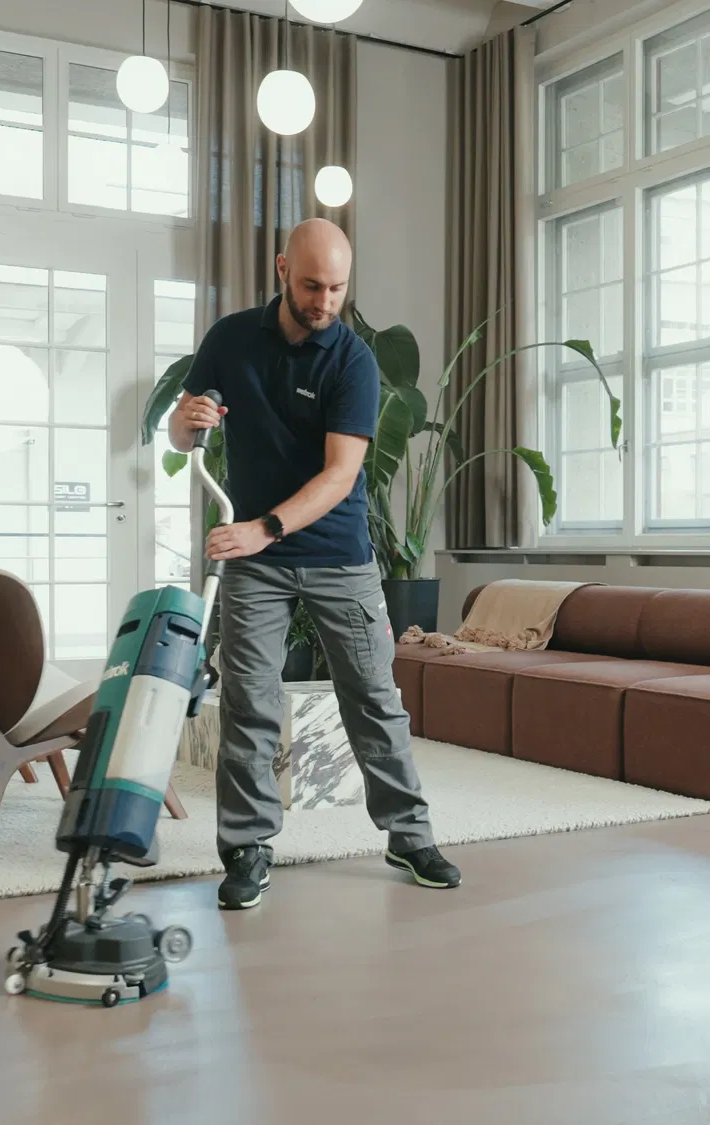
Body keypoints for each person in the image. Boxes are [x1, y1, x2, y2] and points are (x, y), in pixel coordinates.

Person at [168, 218, 459, 910]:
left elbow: (338, 477)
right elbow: (181, 431)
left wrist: (261, 529)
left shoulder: (353, 360)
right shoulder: (232, 338)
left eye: (336, 286)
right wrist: (191, 419)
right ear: (280, 270)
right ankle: (247, 846)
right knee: (249, 703)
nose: (325, 299)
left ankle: (408, 832)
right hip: (257, 565)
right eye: (310, 285)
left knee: (373, 698)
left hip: (337, 555)